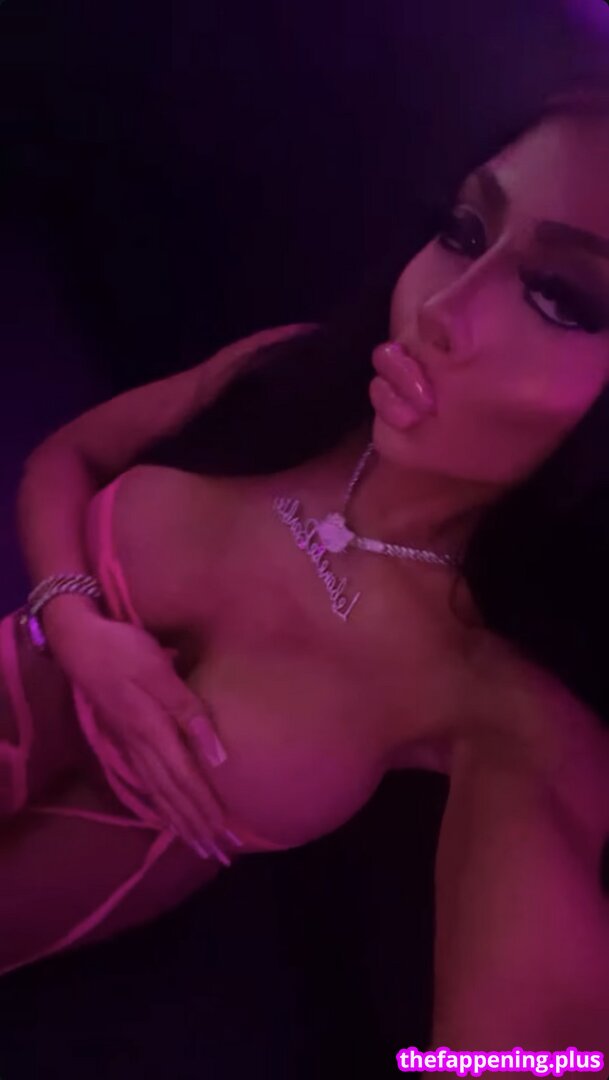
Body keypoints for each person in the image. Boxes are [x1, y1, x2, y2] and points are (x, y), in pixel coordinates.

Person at [1, 83, 609, 1055]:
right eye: (463, 231)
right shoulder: (292, 373)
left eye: (560, 299)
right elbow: (63, 458)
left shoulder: (495, 706)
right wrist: (74, 622)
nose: (440, 309)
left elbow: (540, 1037)